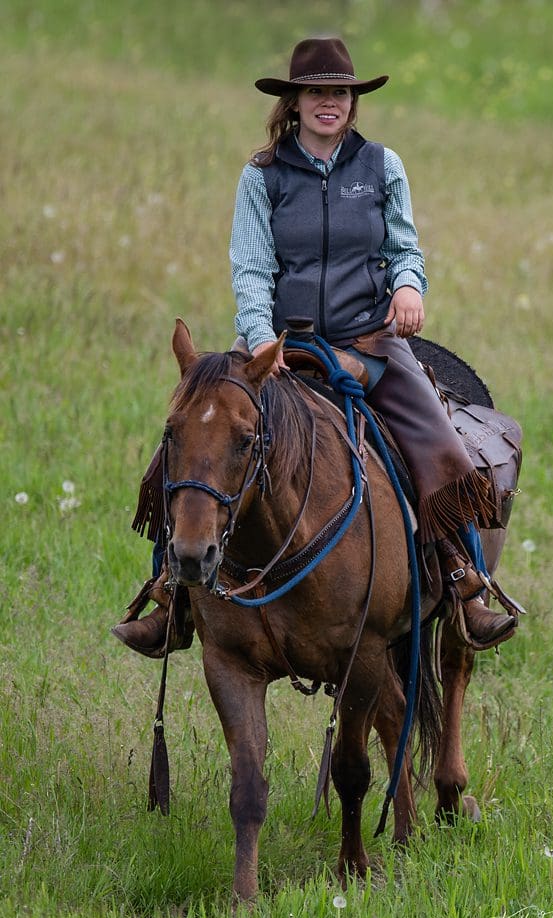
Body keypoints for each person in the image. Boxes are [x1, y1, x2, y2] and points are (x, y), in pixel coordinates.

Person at [113, 37, 516, 656]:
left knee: (440, 445)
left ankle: (465, 583)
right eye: (317, 92)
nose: (330, 103)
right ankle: (170, 592)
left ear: (353, 103)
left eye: (341, 93)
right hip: (281, 346)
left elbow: (404, 247)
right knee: (193, 439)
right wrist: (260, 339)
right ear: (294, 102)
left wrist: (408, 287)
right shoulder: (263, 176)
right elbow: (251, 267)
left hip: (369, 340)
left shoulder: (383, 166)